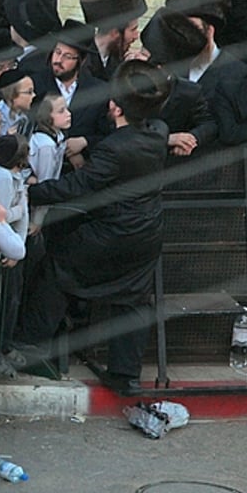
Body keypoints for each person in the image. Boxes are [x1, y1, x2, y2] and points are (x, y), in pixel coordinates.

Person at [28, 60, 171, 393]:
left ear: (114, 106)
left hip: (113, 233)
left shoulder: (114, 149)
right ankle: (126, 375)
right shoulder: (159, 132)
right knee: (134, 299)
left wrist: (30, 190)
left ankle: (29, 346)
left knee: (58, 269)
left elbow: (78, 186)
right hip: (148, 231)